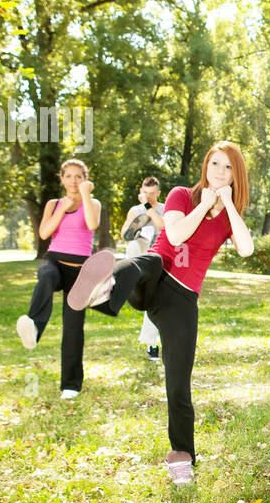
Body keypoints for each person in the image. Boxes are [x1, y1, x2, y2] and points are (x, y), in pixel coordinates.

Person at [64, 142, 254, 485]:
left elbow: (246, 248)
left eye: (228, 168)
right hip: (152, 277)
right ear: (205, 165)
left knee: (178, 382)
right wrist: (205, 204)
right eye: (215, 164)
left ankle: (181, 454)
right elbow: (178, 232)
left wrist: (226, 203)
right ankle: (103, 287)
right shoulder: (182, 194)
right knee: (148, 259)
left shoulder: (228, 215)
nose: (219, 172)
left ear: (236, 175)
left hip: (182, 300)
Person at [15, 158, 101, 399]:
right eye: (69, 176)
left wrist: (84, 196)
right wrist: (62, 208)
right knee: (45, 276)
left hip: (80, 269)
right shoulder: (53, 204)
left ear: (85, 180)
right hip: (54, 260)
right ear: (61, 179)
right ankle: (34, 327)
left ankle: (71, 385)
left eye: (79, 176)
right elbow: (44, 233)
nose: (74, 181)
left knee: (73, 327)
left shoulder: (93, 203)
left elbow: (92, 224)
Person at [121, 176, 165, 362]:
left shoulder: (164, 209)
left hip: (158, 258)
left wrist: (149, 208)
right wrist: (133, 230)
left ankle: (151, 344)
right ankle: (122, 279)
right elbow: (124, 234)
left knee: (154, 301)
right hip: (138, 253)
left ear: (158, 193)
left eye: (152, 194)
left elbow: (163, 227)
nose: (149, 197)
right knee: (135, 243)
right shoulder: (134, 210)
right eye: (146, 194)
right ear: (141, 191)